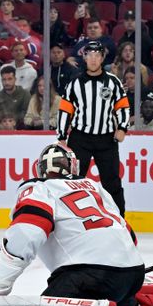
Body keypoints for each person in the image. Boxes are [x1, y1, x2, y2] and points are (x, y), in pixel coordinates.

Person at [0, 143, 153, 306]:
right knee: (112, 290)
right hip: (133, 274)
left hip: (88, 275)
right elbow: (128, 234)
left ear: (41, 169)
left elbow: (29, 230)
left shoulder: (40, 188)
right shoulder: (95, 187)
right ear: (73, 167)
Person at [58, 40, 129, 215]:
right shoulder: (75, 83)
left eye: (97, 55)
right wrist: (61, 136)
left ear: (103, 58)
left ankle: (120, 219)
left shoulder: (113, 82)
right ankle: (70, 218)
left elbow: (123, 106)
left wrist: (122, 128)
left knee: (112, 182)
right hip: (80, 138)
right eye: (90, 55)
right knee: (73, 180)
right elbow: (65, 110)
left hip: (106, 139)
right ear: (84, 57)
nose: (93, 59)